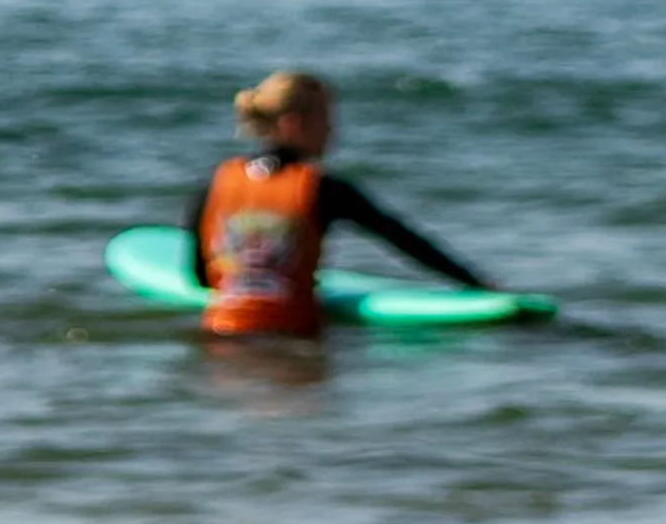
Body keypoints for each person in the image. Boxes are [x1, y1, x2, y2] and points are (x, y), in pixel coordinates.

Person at [183, 70, 493, 338]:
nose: (333, 131)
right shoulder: (322, 187)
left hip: (222, 336)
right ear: (293, 124)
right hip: (292, 339)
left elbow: (199, 274)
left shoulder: (217, 180)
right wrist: (478, 285)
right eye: (326, 119)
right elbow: (404, 241)